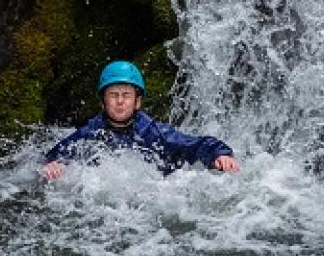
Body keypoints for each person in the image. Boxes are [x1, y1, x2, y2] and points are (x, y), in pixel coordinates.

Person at [42, 60, 241, 180]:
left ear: (137, 102)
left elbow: (196, 145)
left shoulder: (154, 133)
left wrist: (220, 154)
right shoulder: (90, 133)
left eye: (126, 95)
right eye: (113, 95)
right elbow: (55, 155)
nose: (120, 101)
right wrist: (53, 164)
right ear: (103, 103)